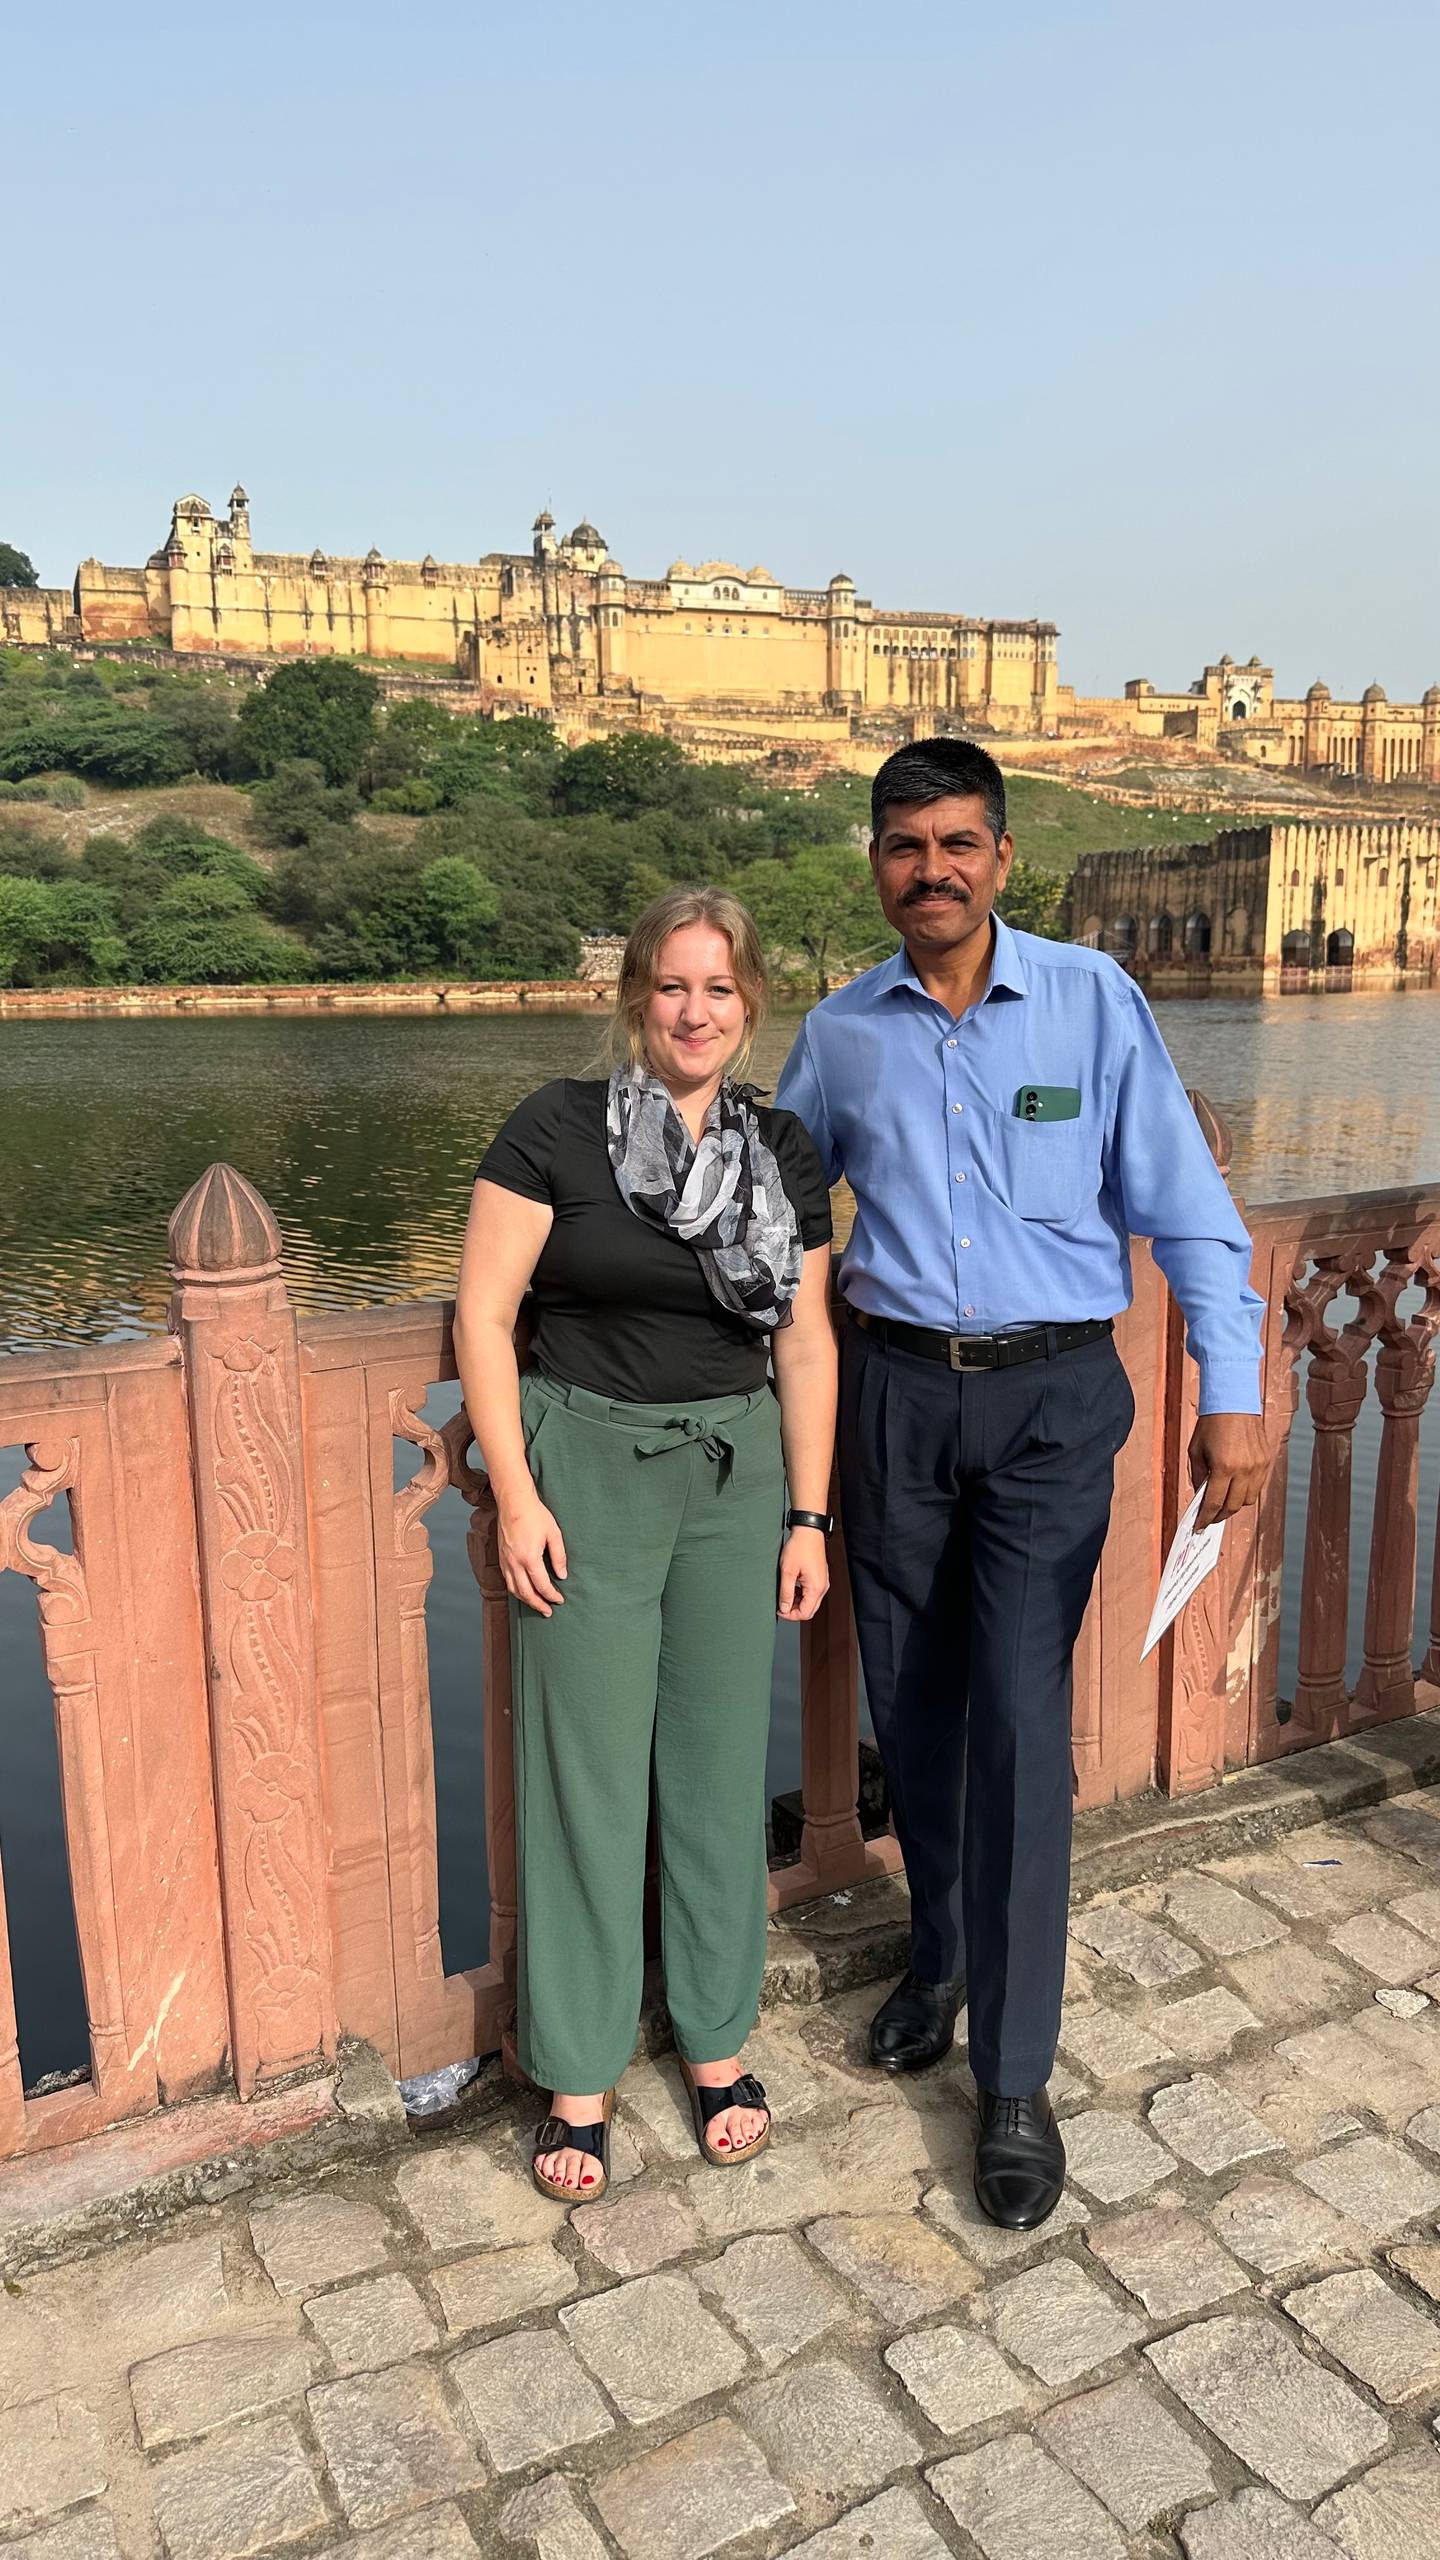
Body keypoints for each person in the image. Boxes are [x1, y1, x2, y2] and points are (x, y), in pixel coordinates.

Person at [777, 737, 1269, 2230]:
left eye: (957, 843)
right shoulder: (840, 1033)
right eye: (904, 845)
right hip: (895, 1399)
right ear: (877, 864)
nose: (930, 869)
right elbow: (772, 1216)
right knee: (916, 1703)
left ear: (1002, 856)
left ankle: (1014, 2073)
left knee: (1017, 1717)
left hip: (1051, 1403)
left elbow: (1189, 1206)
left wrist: (1234, 1390)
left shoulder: (1091, 1000)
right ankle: (939, 1954)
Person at [454, 888, 837, 2202]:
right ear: (636, 997)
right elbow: (485, 1317)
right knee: (587, 1782)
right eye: (673, 985)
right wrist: (517, 1496)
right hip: (588, 1474)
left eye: (719, 988)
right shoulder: (557, 1128)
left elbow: (804, 1342)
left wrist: (807, 1513)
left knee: (719, 1771)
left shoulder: (780, 1150)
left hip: (734, 1481)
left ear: (751, 1003)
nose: (695, 1011)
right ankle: (578, 2072)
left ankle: (717, 2042)